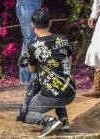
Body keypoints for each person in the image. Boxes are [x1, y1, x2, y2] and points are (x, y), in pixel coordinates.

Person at [23, 8, 75, 137]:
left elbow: (32, 70)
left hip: (51, 95)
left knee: (28, 114)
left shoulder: (32, 46)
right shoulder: (63, 39)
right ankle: (64, 120)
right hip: (70, 91)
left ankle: (50, 121)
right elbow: (69, 62)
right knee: (58, 84)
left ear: (32, 26)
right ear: (50, 23)